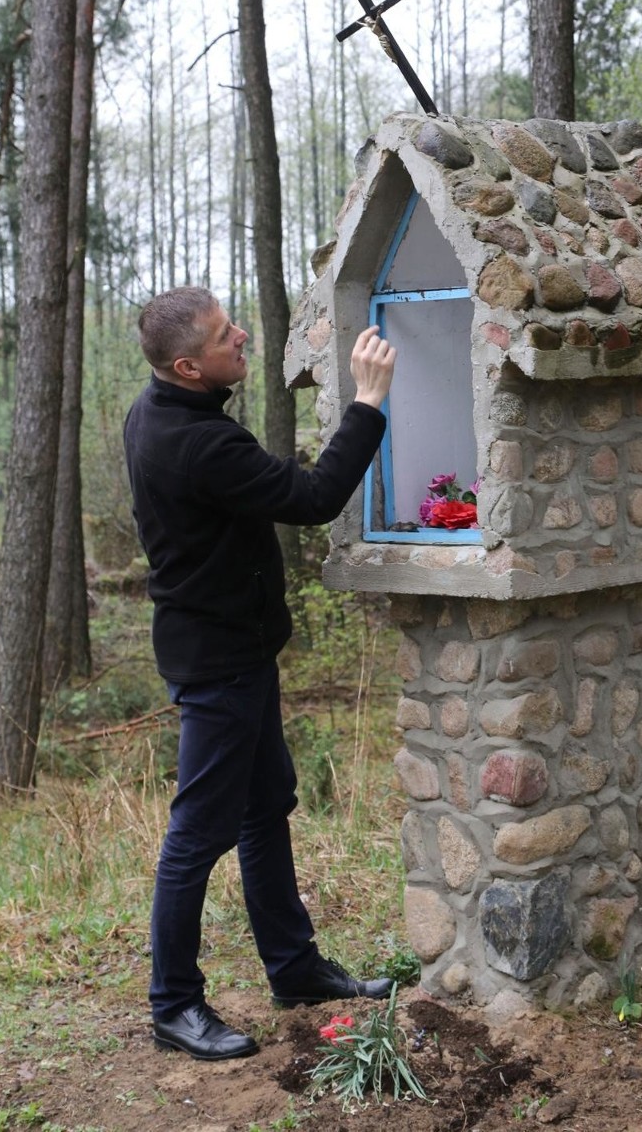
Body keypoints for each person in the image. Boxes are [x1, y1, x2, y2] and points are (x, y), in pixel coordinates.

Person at [123, 286, 397, 1062]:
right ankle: (173, 1006)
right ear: (186, 365)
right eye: (223, 336)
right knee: (197, 835)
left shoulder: (165, 411)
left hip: (229, 651)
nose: (241, 336)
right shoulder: (199, 443)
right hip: (218, 664)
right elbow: (310, 497)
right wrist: (369, 402)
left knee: (263, 807)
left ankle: (295, 969)